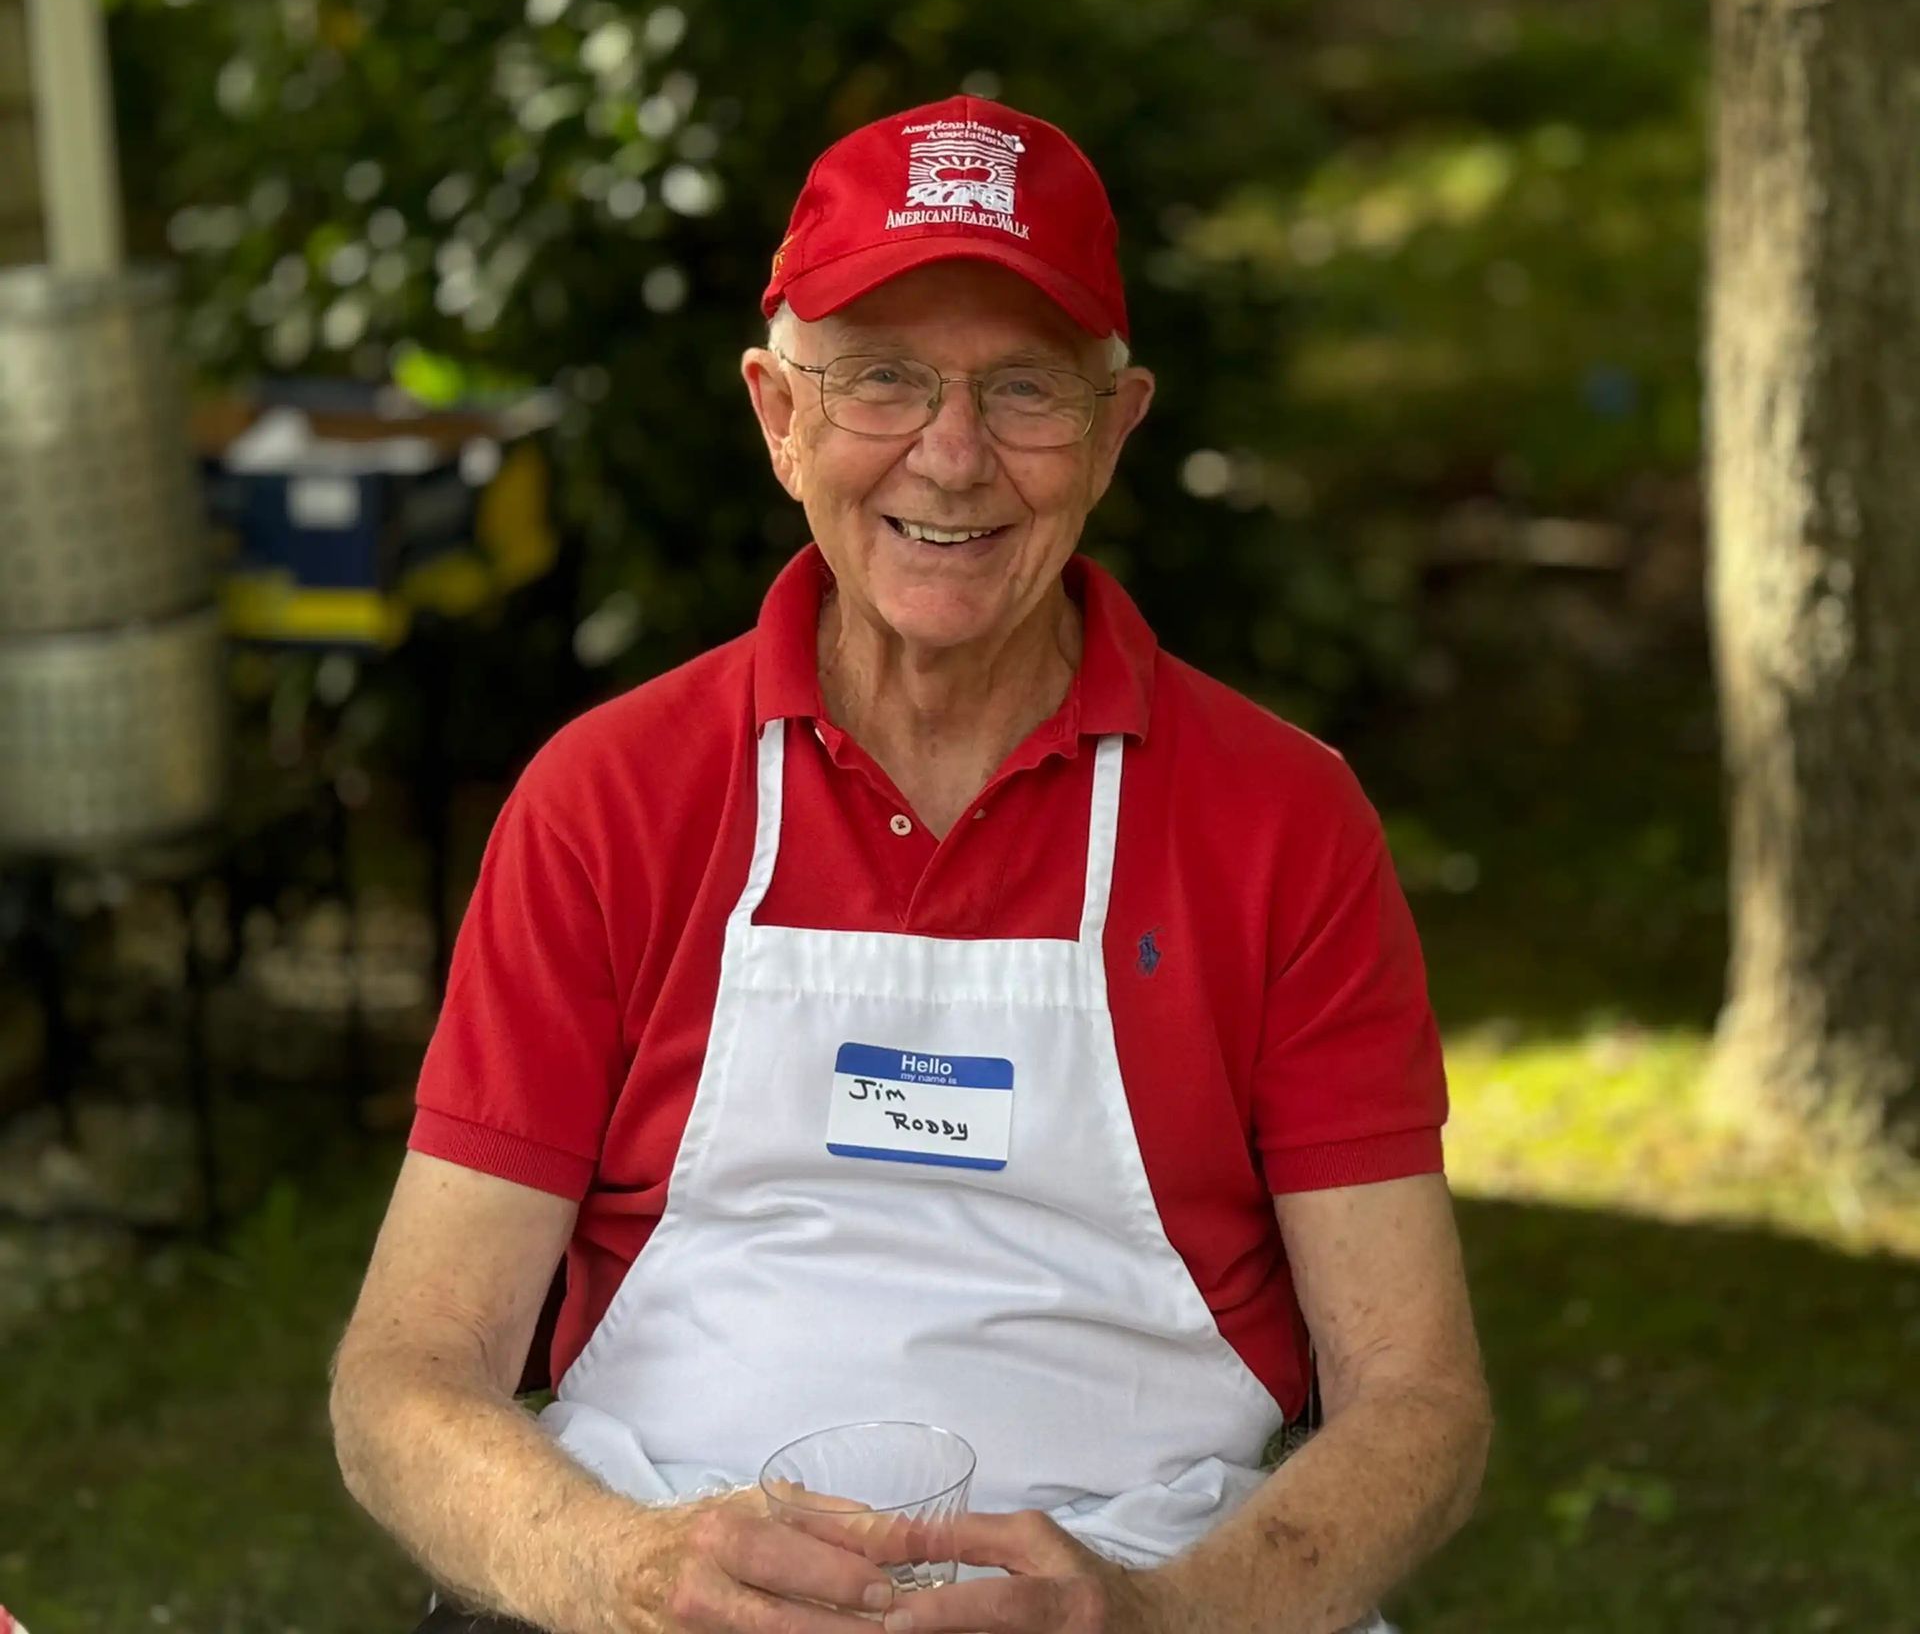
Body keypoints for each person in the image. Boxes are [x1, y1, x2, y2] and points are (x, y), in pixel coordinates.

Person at [329, 95, 1492, 1634]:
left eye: (1024, 390)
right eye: (880, 379)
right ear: (777, 414)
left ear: (1116, 427)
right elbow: (405, 1376)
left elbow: (1419, 1403)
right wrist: (619, 1570)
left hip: (1145, 1580)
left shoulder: (1280, 820)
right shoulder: (607, 801)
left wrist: (1152, 1617)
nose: (951, 458)